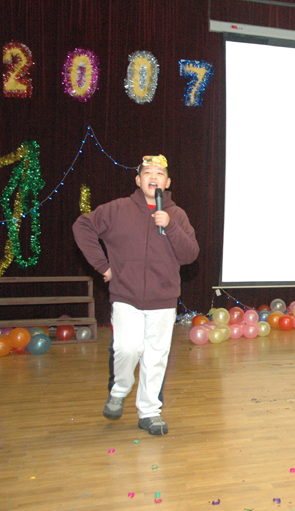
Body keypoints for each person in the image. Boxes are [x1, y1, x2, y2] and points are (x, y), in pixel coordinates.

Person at [73, 154, 199, 435]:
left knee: (155, 357)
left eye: (159, 173)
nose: (153, 177)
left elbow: (190, 255)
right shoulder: (117, 209)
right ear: (138, 180)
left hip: (163, 299)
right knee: (128, 348)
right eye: (147, 173)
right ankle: (120, 389)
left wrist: (170, 224)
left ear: (167, 182)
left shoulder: (177, 215)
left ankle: (149, 412)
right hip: (125, 296)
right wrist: (103, 266)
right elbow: (82, 226)